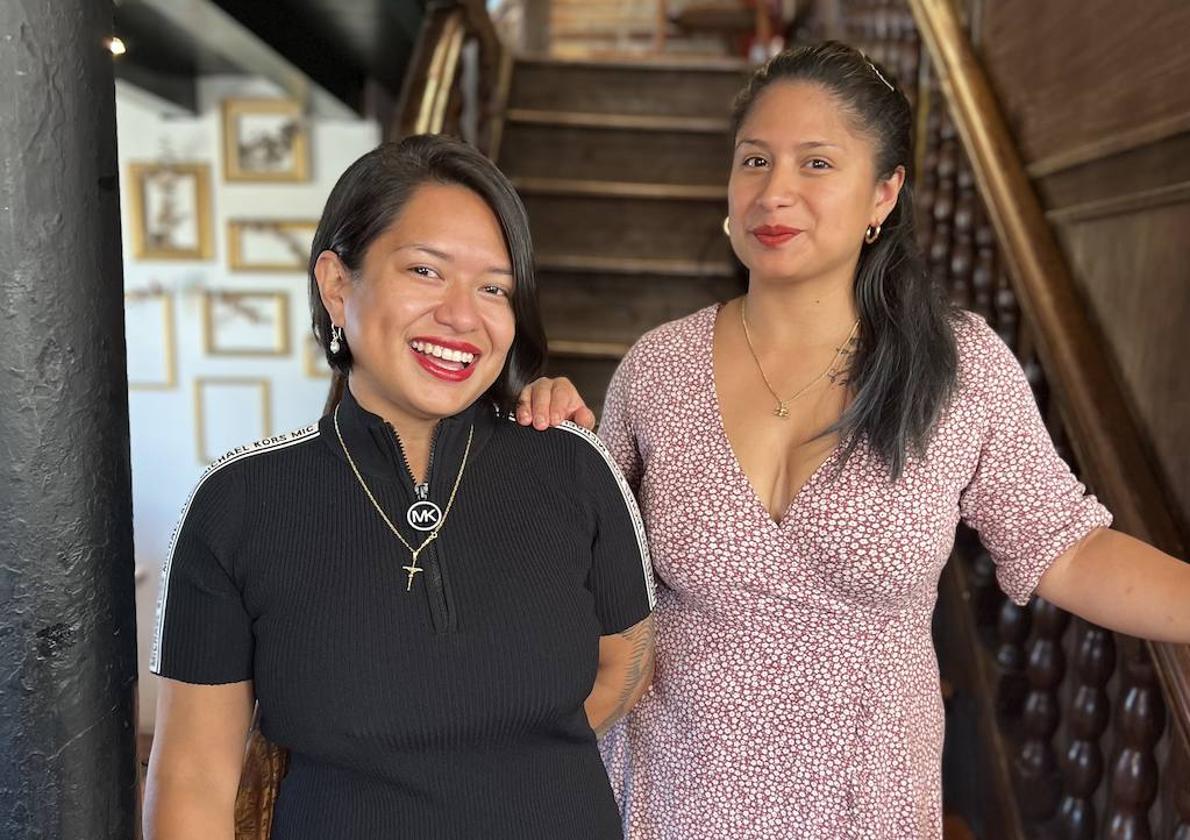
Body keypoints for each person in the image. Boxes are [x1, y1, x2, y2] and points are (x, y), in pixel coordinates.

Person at [516, 42, 1190, 838]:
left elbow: (1064, 547)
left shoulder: (956, 363)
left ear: (884, 192)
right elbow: (579, 573)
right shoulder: (659, 367)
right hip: (669, 794)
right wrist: (544, 446)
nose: (775, 193)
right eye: (755, 160)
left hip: (861, 803)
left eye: (817, 164)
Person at [144, 135, 656, 840]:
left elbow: (623, 668)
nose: (462, 316)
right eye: (425, 270)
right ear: (336, 283)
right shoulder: (239, 503)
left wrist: (475, 761)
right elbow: (193, 778)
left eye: (494, 288)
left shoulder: (572, 468)